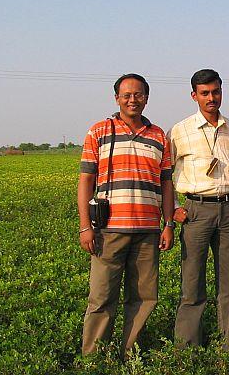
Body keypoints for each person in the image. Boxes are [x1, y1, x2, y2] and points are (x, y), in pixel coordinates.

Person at [78, 73, 175, 357]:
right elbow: (85, 180)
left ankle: (128, 352)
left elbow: (166, 183)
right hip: (108, 229)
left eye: (139, 94)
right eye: (127, 95)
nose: (133, 100)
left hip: (148, 231)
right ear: (117, 98)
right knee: (101, 296)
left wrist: (168, 223)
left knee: (144, 297)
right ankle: (94, 356)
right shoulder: (99, 131)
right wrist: (86, 226)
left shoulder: (159, 136)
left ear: (147, 97)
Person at [169, 68, 229, 349]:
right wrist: (175, 207)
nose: (211, 98)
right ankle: (187, 347)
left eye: (215, 92)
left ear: (221, 92)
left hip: (228, 210)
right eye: (204, 93)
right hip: (196, 210)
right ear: (194, 96)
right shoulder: (180, 130)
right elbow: (164, 173)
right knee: (192, 281)